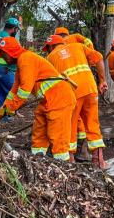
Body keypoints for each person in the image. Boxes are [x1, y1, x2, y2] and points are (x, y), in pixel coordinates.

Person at [0, 37, 76, 161]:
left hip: (60, 98)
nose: (3, 58)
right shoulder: (21, 63)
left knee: (58, 136)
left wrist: (10, 109)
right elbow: (13, 93)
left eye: (4, 54)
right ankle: (37, 161)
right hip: (47, 100)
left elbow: (23, 93)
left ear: (10, 53)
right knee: (39, 131)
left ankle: (63, 166)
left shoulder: (26, 59)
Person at [43, 35, 109, 169]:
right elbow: (99, 58)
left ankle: (70, 160)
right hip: (90, 89)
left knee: (70, 125)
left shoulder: (49, 58)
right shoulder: (78, 46)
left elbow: (51, 83)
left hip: (72, 93)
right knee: (92, 123)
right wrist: (102, 80)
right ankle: (99, 161)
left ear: (50, 47)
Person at [0, 18, 22, 110]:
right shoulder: (10, 39)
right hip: (4, 69)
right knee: (12, 92)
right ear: (13, 28)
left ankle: (1, 116)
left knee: (1, 92)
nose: (16, 31)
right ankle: (9, 114)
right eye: (16, 29)